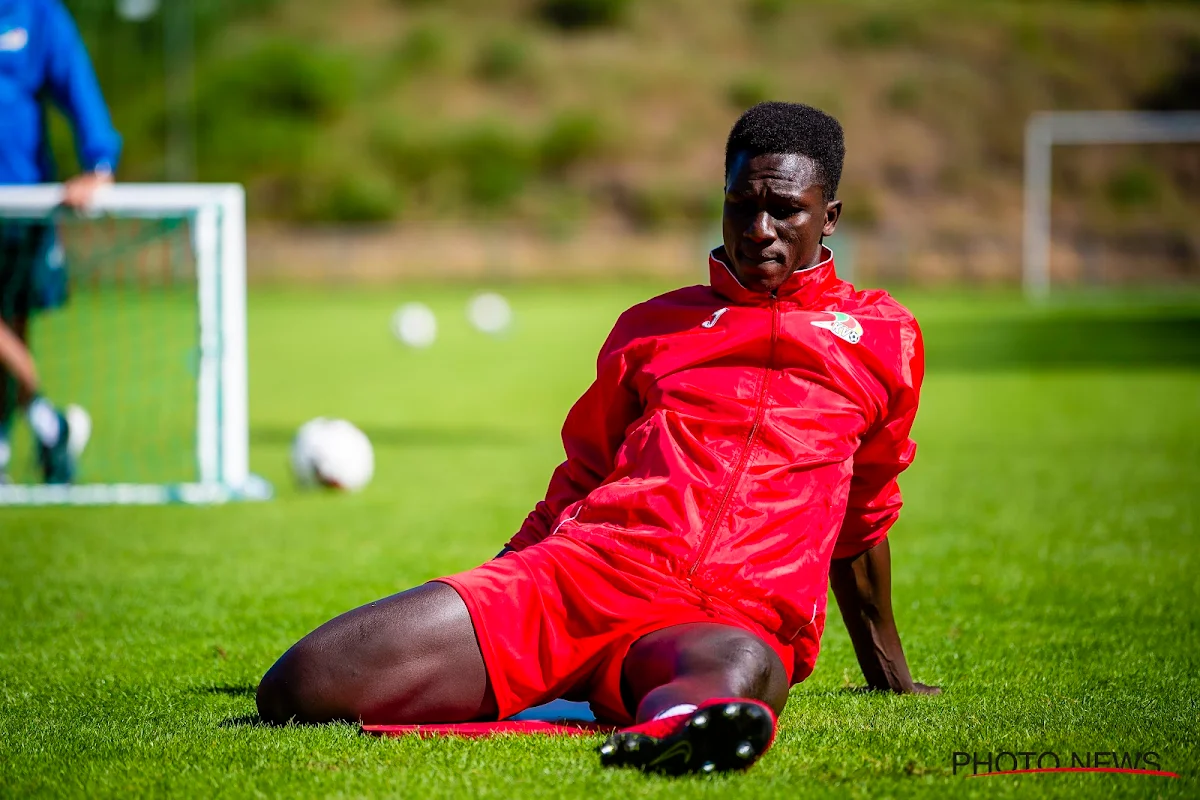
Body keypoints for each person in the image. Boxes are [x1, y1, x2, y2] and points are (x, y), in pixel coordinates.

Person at [257, 102, 939, 774]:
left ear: (830, 217)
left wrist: (890, 674)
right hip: (586, 574)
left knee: (743, 668)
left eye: (785, 210)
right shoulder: (651, 326)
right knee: (302, 684)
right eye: (740, 205)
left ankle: (675, 729)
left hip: (733, 615)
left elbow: (866, 510)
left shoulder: (884, 337)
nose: (758, 229)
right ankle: (594, 684)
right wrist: (501, 577)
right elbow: (581, 477)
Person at [0, 0, 121, 482]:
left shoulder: (36, 14)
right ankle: (50, 424)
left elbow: (77, 85)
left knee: (15, 325)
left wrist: (99, 164)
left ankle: (7, 445)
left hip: (19, 203)